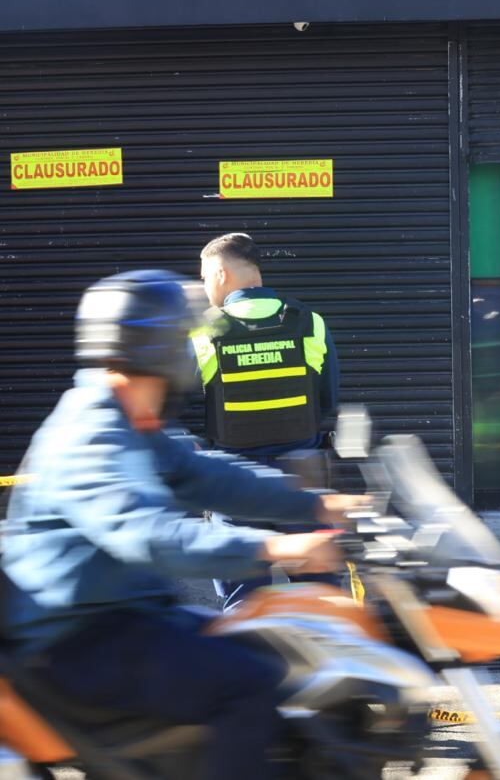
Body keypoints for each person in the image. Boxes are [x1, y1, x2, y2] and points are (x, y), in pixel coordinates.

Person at [0, 270, 361, 780]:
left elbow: (205, 475)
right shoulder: (94, 433)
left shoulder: (126, 417)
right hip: (76, 642)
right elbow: (149, 535)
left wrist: (321, 506)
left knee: (278, 649)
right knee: (247, 685)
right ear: (160, 350)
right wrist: (278, 551)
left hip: (123, 619)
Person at [192, 233, 341, 608]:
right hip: (302, 482)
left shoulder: (205, 332)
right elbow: (327, 400)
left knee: (244, 607)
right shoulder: (309, 321)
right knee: (325, 601)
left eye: (204, 277)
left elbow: (187, 404)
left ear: (221, 273)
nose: (203, 286)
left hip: (234, 483)